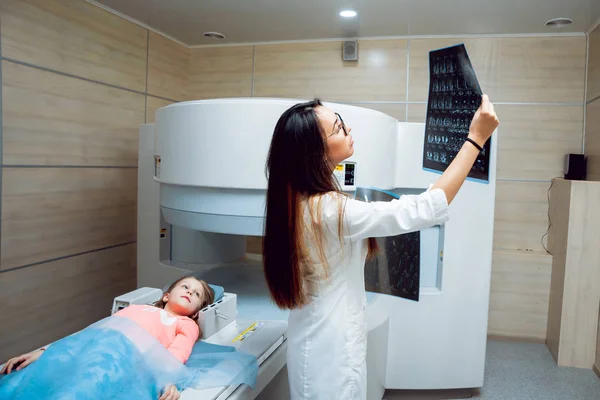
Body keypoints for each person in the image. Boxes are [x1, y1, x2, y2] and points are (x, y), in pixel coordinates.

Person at [262, 95, 499, 400]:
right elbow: (426, 207)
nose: (347, 128)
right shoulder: (329, 211)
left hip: (319, 342)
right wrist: (476, 139)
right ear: (315, 154)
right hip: (329, 357)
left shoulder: (300, 202)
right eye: (337, 127)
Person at [1, 275, 215, 400]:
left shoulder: (185, 324)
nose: (189, 292)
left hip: (124, 356)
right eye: (185, 287)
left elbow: (177, 352)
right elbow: (91, 333)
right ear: (166, 295)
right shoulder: (138, 308)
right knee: (32, 378)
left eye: (196, 294)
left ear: (196, 312)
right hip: (94, 344)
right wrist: (47, 351)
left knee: (84, 386)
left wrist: (169, 380)